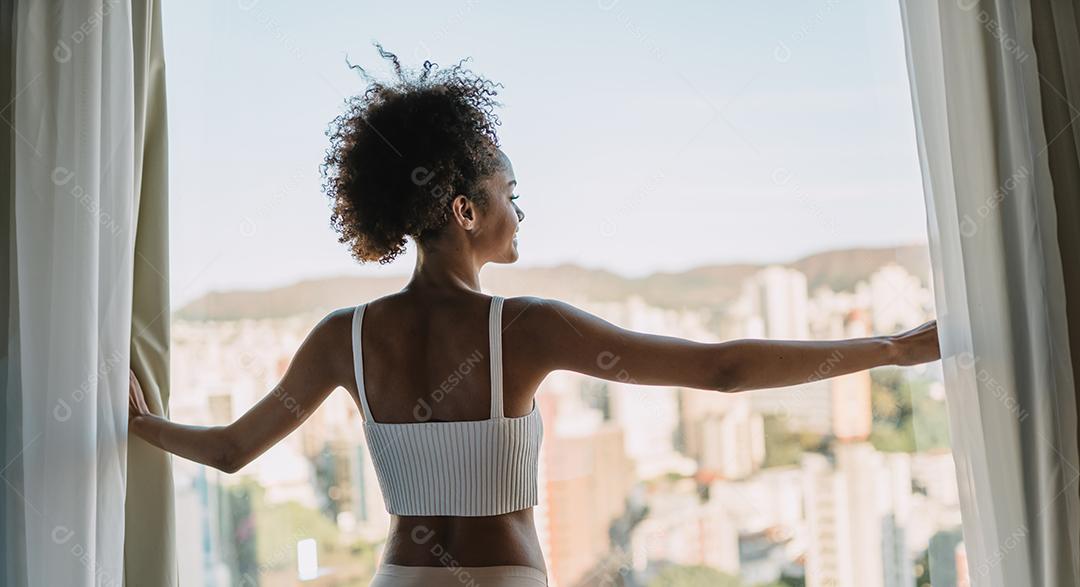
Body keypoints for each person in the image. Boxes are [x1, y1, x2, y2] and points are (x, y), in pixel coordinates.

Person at [127, 46, 941, 587]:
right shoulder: (525, 328)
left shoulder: (342, 336)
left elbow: (230, 450)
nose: (519, 209)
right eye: (508, 192)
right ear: (464, 208)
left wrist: (140, 422)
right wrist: (895, 348)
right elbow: (721, 369)